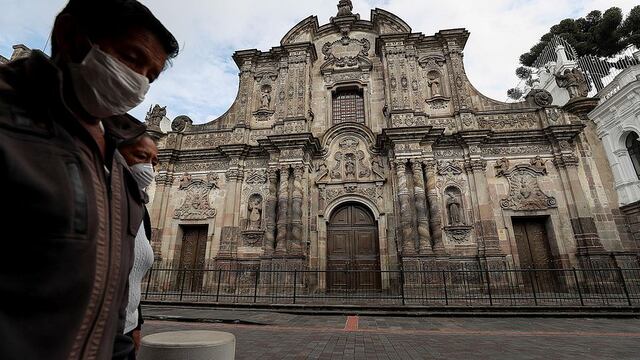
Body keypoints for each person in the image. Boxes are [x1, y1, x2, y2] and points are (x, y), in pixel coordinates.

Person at [0, 1, 178, 359]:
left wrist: (124, 338)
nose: (139, 82)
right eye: (131, 58)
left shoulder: (116, 159)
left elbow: (115, 280)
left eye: (151, 75)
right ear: (70, 37)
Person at [118, 134, 158, 359]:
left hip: (127, 326)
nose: (148, 168)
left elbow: (133, 281)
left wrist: (137, 322)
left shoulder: (142, 212)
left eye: (154, 162)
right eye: (142, 157)